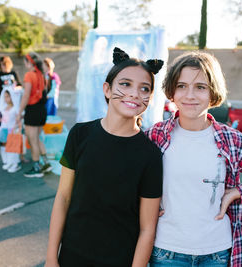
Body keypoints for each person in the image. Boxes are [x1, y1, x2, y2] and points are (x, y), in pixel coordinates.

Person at [145, 51, 242, 267]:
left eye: (200, 87)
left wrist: (238, 192)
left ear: (213, 93)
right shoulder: (155, 136)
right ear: (172, 92)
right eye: (182, 86)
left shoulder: (231, 140)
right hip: (167, 250)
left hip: (216, 253)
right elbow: (129, 179)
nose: (190, 95)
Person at [45, 47, 164, 267]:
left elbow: (148, 227)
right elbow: (62, 198)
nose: (134, 93)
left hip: (120, 259)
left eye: (144, 88)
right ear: (107, 89)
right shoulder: (79, 134)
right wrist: (51, 257)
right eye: (125, 84)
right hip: (72, 256)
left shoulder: (150, 154)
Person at [16, 52, 51, 178]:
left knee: (33, 140)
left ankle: (37, 167)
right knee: (37, 137)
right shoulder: (41, 75)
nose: (24, 64)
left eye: (25, 62)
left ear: (30, 63)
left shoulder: (29, 75)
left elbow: (26, 96)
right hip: (41, 109)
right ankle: (46, 163)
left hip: (33, 110)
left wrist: (19, 112)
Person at [0, 89, 21, 173]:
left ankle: (15, 164)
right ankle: (9, 162)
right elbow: (4, 118)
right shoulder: (4, 107)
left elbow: (19, 120)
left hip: (12, 129)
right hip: (4, 128)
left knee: (13, 147)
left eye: (8, 96)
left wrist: (17, 129)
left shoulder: (15, 108)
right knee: (5, 146)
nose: (6, 99)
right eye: (4, 97)